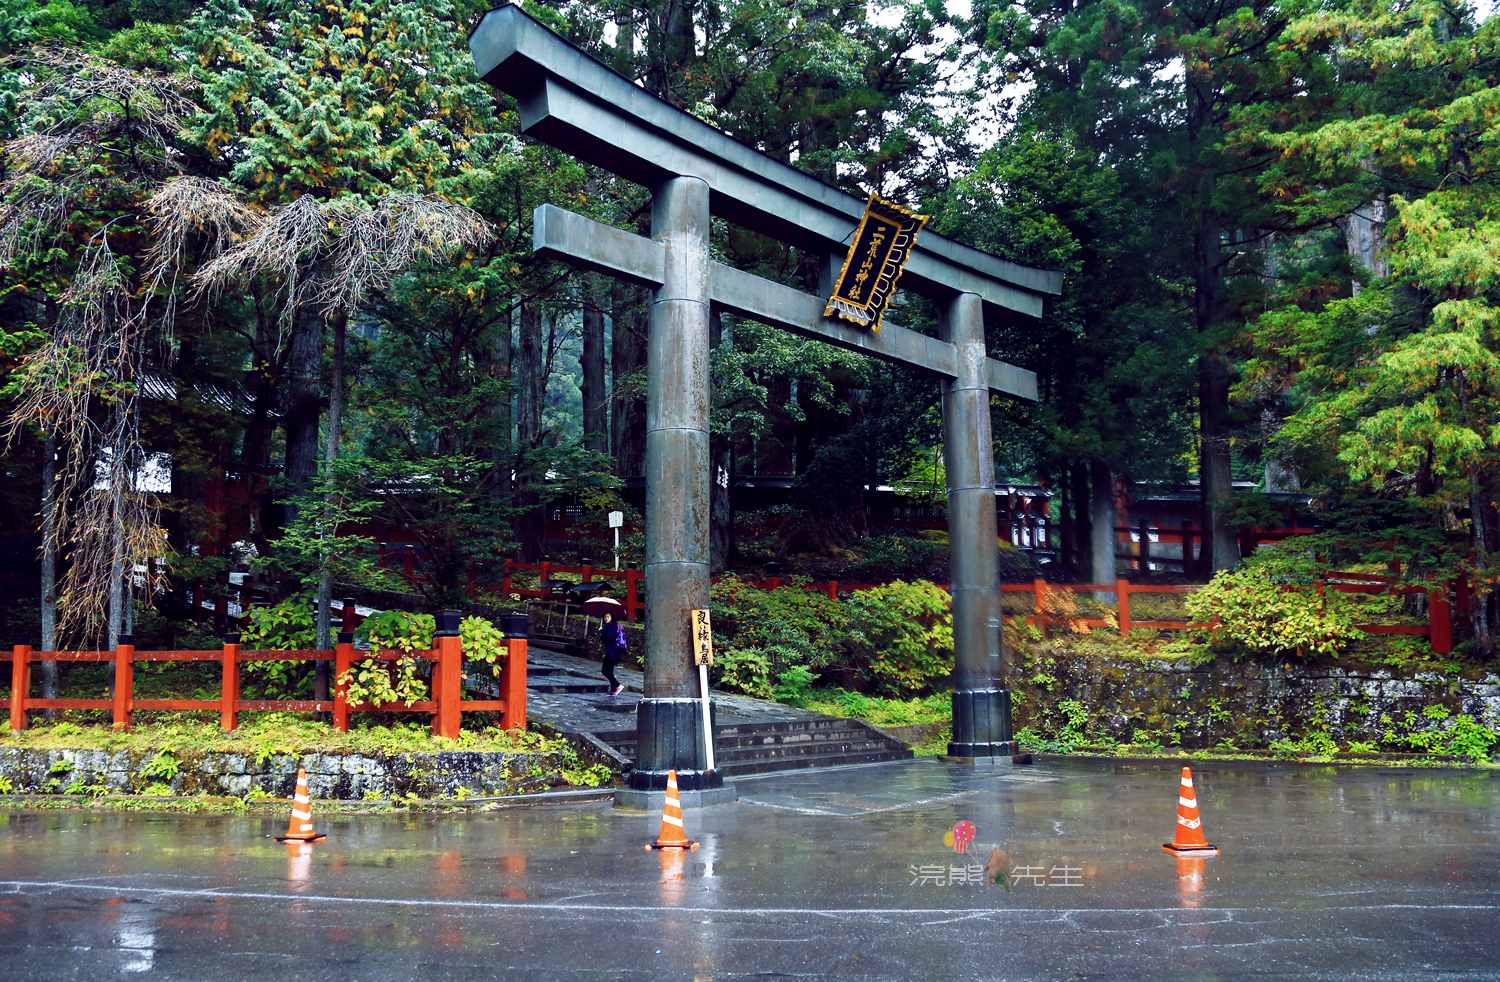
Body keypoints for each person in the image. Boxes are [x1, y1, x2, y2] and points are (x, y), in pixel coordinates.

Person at [599, 612, 627, 696]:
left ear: (611, 618)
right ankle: (613, 689)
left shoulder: (613, 626)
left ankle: (618, 685)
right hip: (609, 651)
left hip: (612, 652)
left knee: (605, 671)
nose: (606, 618)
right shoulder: (607, 626)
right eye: (605, 617)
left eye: (608, 616)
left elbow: (610, 637)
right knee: (610, 671)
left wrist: (602, 631)